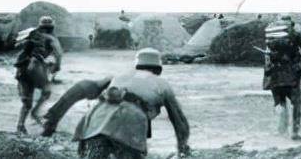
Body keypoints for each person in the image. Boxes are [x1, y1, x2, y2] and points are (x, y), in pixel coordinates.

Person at [42, 48, 190, 159]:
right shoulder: (162, 84)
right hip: (131, 119)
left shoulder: (119, 75)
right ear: (158, 68)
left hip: (98, 116)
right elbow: (180, 122)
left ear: (137, 65)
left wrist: (53, 118)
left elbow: (82, 87)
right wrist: (182, 148)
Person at [262, 16, 301, 141]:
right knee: (296, 103)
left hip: (274, 74)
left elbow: (267, 58)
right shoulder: (295, 34)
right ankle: (295, 132)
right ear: (291, 23)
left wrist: (268, 75)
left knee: (280, 102)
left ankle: (281, 132)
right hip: (292, 74)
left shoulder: (272, 35)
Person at [14, 15, 63, 134]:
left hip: (22, 68)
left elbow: (17, 46)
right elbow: (59, 53)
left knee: (27, 101)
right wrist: (57, 66)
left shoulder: (31, 35)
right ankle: (35, 113)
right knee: (46, 91)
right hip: (35, 66)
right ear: (52, 27)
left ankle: (20, 125)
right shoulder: (51, 38)